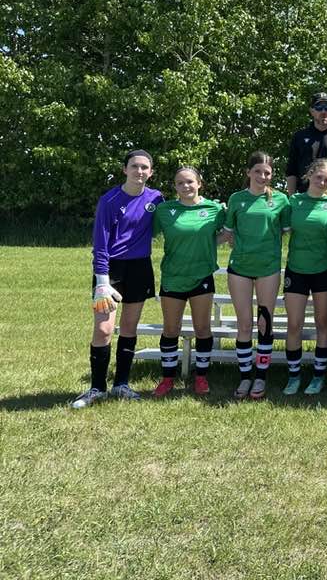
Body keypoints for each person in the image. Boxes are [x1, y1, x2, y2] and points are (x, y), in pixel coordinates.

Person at [73, 150, 163, 409]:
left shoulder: (156, 198)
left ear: (151, 172)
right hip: (110, 269)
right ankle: (97, 388)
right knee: (103, 330)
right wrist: (102, 281)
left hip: (140, 267)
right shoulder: (109, 200)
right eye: (134, 166)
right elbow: (100, 245)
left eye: (144, 167)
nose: (139, 171)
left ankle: (121, 385)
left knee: (129, 328)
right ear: (125, 169)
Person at [151, 167, 227, 397]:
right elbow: (144, 233)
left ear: (199, 183)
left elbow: (228, 232)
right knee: (170, 328)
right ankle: (167, 379)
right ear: (175, 186)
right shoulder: (165, 210)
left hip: (201, 275)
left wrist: (213, 242)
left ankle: (201, 377)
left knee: (202, 328)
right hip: (173, 277)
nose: (186, 186)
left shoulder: (214, 209)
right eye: (180, 183)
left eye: (190, 182)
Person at [223, 151, 291, 400]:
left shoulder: (281, 199)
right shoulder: (236, 199)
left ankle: (260, 377)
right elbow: (228, 233)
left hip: (268, 268)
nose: (263, 176)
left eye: (267, 173)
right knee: (244, 324)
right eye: (258, 172)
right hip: (240, 268)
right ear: (249, 173)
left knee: (265, 323)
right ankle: (244, 377)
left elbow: (285, 230)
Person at [282, 159, 327, 396]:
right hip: (296, 269)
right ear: (309, 175)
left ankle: (318, 376)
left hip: (324, 270)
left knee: (322, 323)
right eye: (319, 177)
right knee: (294, 324)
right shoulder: (294, 201)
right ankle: (293, 376)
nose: (322, 182)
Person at [286, 91, 327, 194]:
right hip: (305, 195)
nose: (323, 111)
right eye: (319, 107)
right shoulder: (300, 136)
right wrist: (292, 198)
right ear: (312, 111)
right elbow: (291, 170)